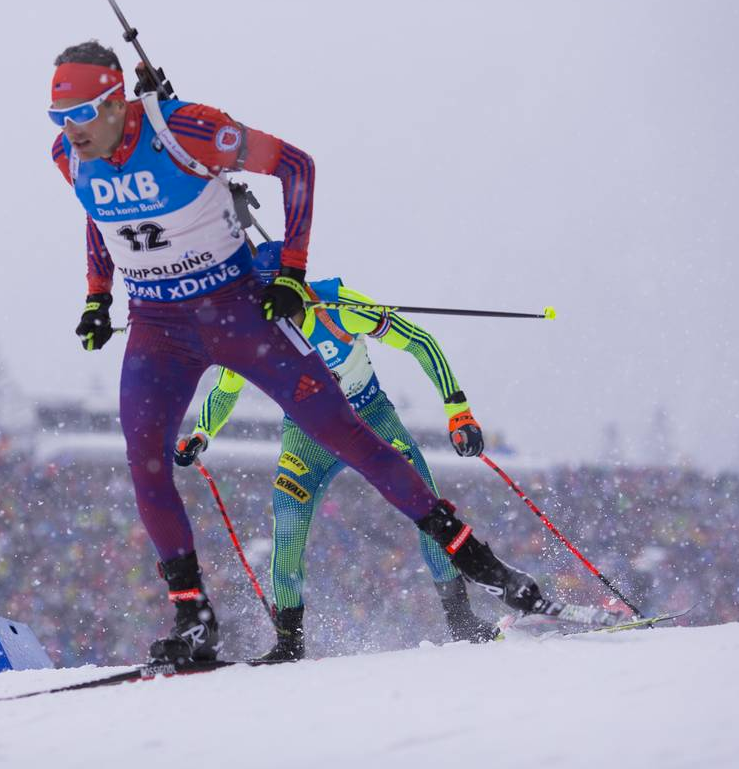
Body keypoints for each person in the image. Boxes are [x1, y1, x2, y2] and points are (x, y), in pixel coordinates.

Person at [48, 40, 547, 666]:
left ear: (118, 100)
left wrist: (290, 271)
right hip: (158, 328)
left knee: (348, 434)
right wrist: (98, 295)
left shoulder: (186, 129)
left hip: (236, 313)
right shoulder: (67, 155)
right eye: (58, 118)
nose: (71, 130)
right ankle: (195, 619)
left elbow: (296, 167)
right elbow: (99, 216)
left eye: (85, 112)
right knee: (144, 463)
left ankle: (474, 559)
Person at [173, 242, 496, 659]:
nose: (269, 316)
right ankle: (289, 642)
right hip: (309, 433)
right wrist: (201, 433)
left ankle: (462, 621)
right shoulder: (253, 332)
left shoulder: (340, 307)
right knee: (286, 528)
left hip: (370, 417)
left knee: (429, 512)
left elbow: (420, 342)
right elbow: (226, 388)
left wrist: (459, 412)